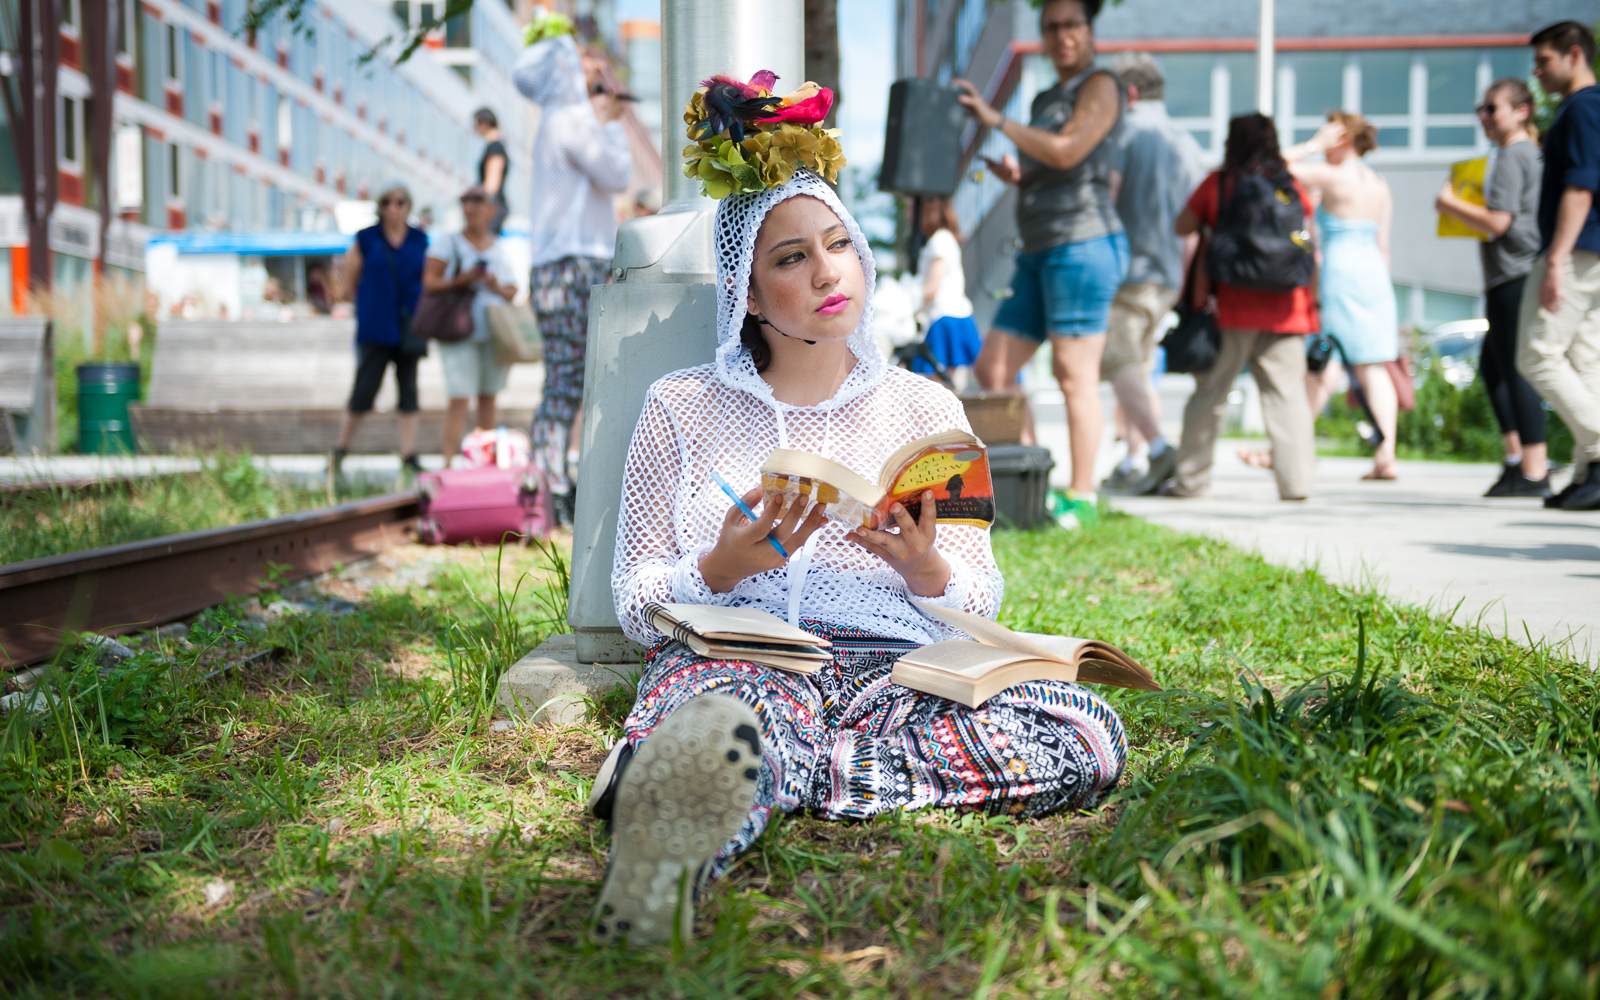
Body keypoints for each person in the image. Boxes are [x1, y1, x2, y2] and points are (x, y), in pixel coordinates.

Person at [588, 77, 1127, 946]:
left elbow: (979, 593)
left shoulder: (928, 411)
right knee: (727, 717)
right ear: (749, 294)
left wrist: (923, 567)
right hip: (744, 655)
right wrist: (720, 569)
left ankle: (751, 780)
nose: (827, 270)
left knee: (1083, 731)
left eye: (838, 243)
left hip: (895, 674)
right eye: (791, 257)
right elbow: (633, 599)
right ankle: (693, 813)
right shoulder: (679, 405)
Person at [952, 0, 1127, 525]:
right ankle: (1031, 474)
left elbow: (1069, 151)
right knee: (994, 368)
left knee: (1075, 374)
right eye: (1051, 27)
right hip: (1037, 248)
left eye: (1071, 24)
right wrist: (1018, 175)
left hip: (1083, 242)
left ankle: (1082, 497)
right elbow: (1049, 160)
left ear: (1089, 29)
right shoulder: (1050, 95)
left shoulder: (1101, 85)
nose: (1061, 35)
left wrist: (995, 118)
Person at [513, 28, 632, 525]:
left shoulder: (553, 120)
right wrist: (609, 121)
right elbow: (618, 175)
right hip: (577, 262)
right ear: (565, 68)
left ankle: (548, 487)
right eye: (583, 60)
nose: (595, 68)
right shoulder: (572, 119)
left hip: (555, 263)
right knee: (573, 383)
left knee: (563, 382)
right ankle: (552, 491)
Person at [1166, 113, 1318, 501]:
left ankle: (1192, 481)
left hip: (1228, 309)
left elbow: (1182, 227)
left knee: (1210, 396)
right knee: (1288, 398)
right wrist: (1314, 305)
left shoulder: (1219, 185)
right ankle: (1296, 484)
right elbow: (1310, 248)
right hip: (1289, 309)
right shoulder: (1290, 187)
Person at [1436, 78, 1549, 498]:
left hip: (1513, 273)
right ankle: (1517, 461)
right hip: (1514, 273)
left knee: (1515, 368)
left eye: (1491, 108)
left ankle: (1533, 469)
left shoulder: (1510, 156)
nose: (1483, 116)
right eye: (1480, 109)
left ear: (1521, 111)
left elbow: (1499, 222)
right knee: (1495, 368)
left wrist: (1450, 204)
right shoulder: (1527, 153)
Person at [1103, 52, 1206, 495]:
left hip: (1127, 270)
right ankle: (1135, 458)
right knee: (1141, 368)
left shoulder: (1125, 132)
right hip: (1166, 276)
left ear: (1128, 93)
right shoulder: (1188, 143)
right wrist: (1183, 281)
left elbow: (1106, 200)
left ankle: (1162, 450)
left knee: (1117, 359)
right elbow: (1195, 223)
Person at [1279, 111, 1399, 481]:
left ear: (1341, 138)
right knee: (1374, 366)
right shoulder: (1378, 182)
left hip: (1341, 273)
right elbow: (1383, 244)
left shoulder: (1333, 176)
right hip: (1376, 277)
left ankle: (1290, 444)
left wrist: (1313, 145)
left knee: (1324, 360)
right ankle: (1386, 453)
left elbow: (1276, 166)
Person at [1520, 21, 1600, 511]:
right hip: (1592, 250)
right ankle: (1590, 469)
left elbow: (1580, 186)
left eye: (1543, 61)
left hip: (1576, 249)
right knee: (1585, 359)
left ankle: (1598, 447)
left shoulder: (1582, 107)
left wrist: (1555, 258)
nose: (1536, 72)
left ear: (1574, 55)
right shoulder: (1585, 108)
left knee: (1536, 354)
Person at [332, 184, 427, 477]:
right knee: (364, 390)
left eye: (400, 201)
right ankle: (341, 450)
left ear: (408, 205)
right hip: (376, 324)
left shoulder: (419, 239)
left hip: (410, 325)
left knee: (408, 391)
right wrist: (361, 301)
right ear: (380, 206)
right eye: (387, 202)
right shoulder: (366, 238)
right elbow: (350, 280)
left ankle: (408, 454)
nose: (393, 207)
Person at [426, 185, 518, 459]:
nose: (471, 206)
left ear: (492, 209)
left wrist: (494, 285)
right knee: (459, 397)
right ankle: (447, 462)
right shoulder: (448, 241)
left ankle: (483, 461)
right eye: (465, 200)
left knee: (488, 397)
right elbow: (429, 282)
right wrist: (461, 280)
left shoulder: (499, 247)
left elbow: (512, 291)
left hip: (492, 332)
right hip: (458, 331)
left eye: (478, 200)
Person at [911, 197, 981, 389]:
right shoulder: (945, 238)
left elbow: (933, 286)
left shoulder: (939, 239)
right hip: (955, 315)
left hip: (945, 317)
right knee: (949, 381)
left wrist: (913, 308)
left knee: (936, 383)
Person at [473, 108, 510, 235]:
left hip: (491, 208)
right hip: (492, 208)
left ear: (483, 124)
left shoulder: (495, 148)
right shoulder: (496, 146)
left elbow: (491, 186)